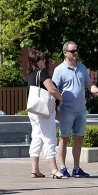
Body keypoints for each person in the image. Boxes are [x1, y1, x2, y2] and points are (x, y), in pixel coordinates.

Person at [52, 41, 98, 178]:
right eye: (72, 51)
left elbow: (88, 84)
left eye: (76, 50)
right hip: (66, 110)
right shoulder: (59, 70)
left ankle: (76, 168)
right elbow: (54, 90)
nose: (75, 53)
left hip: (81, 109)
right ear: (65, 53)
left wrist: (95, 90)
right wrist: (56, 109)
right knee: (64, 138)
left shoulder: (82, 68)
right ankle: (62, 167)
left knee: (79, 138)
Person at [25, 47, 65, 179]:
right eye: (43, 59)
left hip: (33, 111)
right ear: (38, 61)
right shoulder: (41, 74)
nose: (45, 61)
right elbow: (52, 90)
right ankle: (54, 169)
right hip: (43, 112)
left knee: (36, 138)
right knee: (49, 138)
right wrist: (60, 98)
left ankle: (35, 169)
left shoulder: (31, 75)